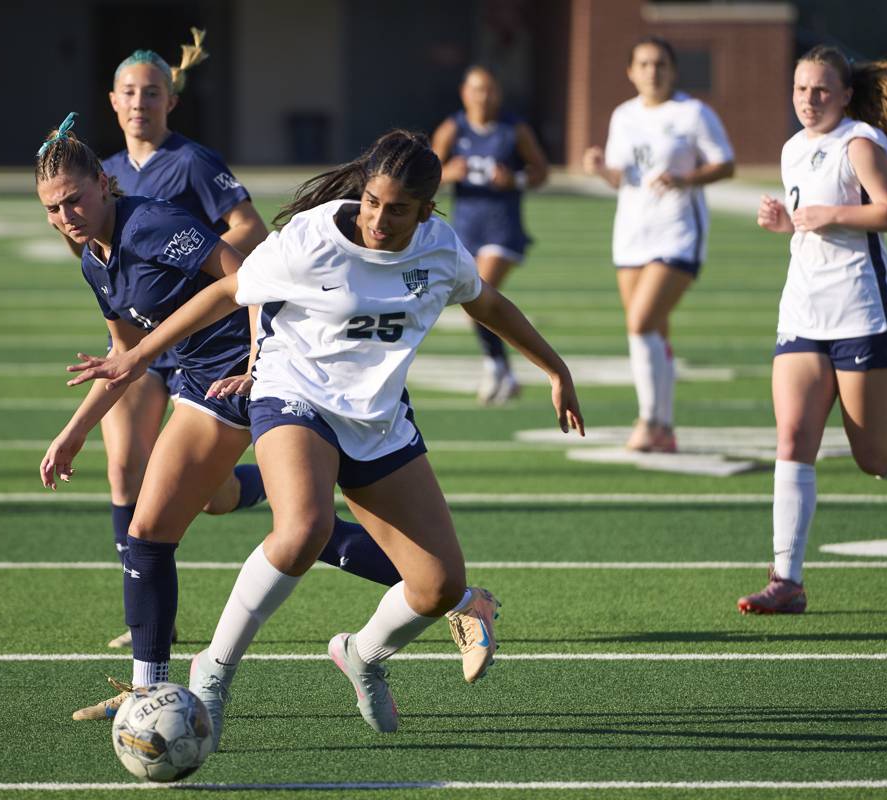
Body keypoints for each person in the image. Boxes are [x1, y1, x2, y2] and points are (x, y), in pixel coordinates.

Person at [66, 129, 584, 747]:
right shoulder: (312, 237)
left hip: (377, 417)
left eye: (397, 210)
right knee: (303, 527)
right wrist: (137, 357)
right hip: (294, 390)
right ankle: (213, 672)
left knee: (438, 585)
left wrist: (556, 369)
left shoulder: (440, 250)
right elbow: (229, 289)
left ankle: (361, 654)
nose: (378, 220)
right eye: (371, 202)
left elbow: (486, 302)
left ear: (425, 210)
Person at [739, 45, 887, 615]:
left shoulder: (859, 142)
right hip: (801, 313)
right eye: (800, 89)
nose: (808, 99)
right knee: (793, 439)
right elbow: (807, 225)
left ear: (845, 95)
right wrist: (783, 225)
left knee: (871, 453)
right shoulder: (793, 148)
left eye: (821, 90)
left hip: (863, 314)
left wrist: (832, 215)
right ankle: (787, 579)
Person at [71, 32, 272, 651]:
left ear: (170, 101)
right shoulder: (101, 174)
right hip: (138, 337)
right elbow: (95, 253)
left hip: (202, 341)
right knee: (125, 467)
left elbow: (249, 231)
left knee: (210, 496)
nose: (140, 103)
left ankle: (274, 479)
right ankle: (148, 617)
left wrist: (231, 285)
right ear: (112, 101)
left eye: (152, 93)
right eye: (129, 92)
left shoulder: (193, 162)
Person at [583, 36, 735, 453]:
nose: (653, 71)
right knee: (653, 332)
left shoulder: (692, 113)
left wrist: (686, 178)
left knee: (641, 324)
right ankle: (666, 428)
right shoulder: (623, 115)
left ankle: (648, 421)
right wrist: (599, 169)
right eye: (644, 64)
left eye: (660, 64)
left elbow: (725, 163)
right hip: (632, 233)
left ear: (673, 69)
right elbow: (620, 175)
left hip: (677, 232)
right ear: (631, 71)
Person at [431, 65, 549, 404]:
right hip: (466, 227)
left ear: (498, 94)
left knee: (480, 290)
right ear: (464, 93)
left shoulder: (514, 129)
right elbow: (426, 174)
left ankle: (497, 368)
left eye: (490, 89)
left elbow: (541, 172)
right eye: (477, 89)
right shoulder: (453, 128)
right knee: (475, 302)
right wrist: (447, 174)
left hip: (503, 226)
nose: (483, 96)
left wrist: (516, 180)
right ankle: (502, 369)